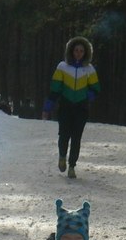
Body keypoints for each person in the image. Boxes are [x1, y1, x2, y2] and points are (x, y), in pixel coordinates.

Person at [42, 37, 100, 179]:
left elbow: (96, 88)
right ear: (71, 51)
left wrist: (90, 95)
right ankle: (62, 156)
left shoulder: (89, 69)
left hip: (81, 107)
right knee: (64, 135)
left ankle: (72, 166)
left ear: (86, 52)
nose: (78, 53)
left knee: (76, 137)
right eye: (76, 50)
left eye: (81, 51)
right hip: (65, 106)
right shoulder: (62, 67)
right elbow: (55, 87)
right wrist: (48, 105)